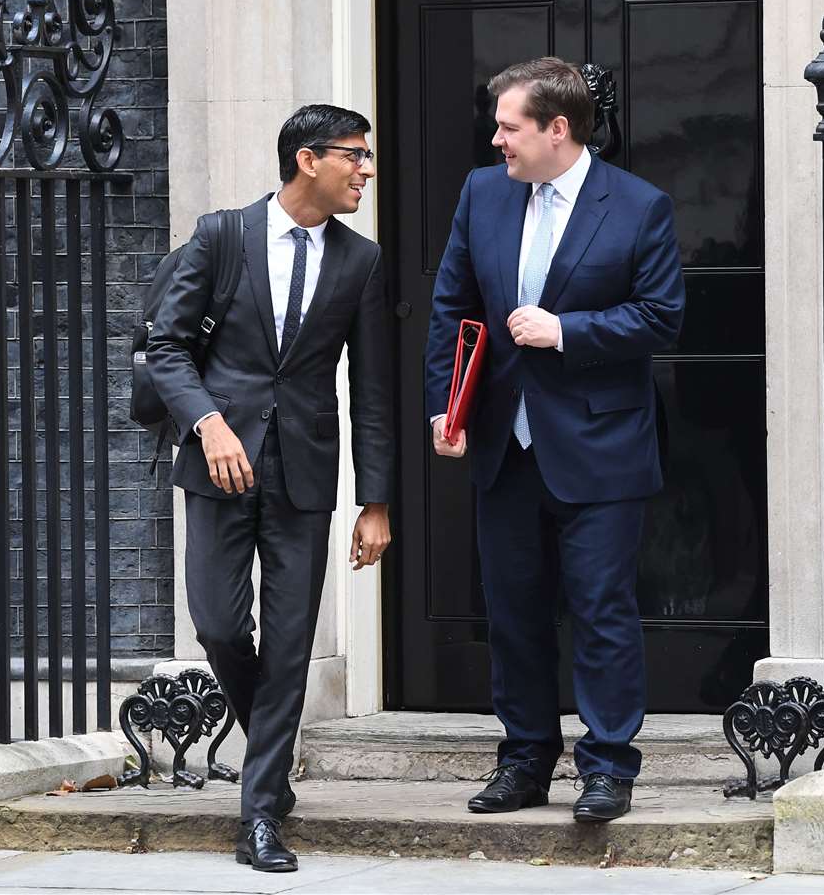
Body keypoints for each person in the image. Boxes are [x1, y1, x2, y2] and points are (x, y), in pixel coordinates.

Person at [425, 57, 685, 822]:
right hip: (504, 444)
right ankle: (525, 759)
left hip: (600, 447)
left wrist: (564, 330)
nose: (496, 140)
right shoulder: (482, 192)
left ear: (556, 129)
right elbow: (452, 306)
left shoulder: (639, 206)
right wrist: (448, 407)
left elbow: (659, 317)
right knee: (513, 612)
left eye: (509, 127)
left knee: (602, 611)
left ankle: (607, 768)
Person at [147, 104, 394, 872]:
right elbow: (166, 344)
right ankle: (271, 758)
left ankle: (259, 814)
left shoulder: (362, 261)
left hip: (304, 474)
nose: (365, 170)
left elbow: (374, 389)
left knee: (289, 647)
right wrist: (208, 424)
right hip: (219, 466)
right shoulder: (222, 235)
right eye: (354, 156)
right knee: (219, 626)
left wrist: (375, 500)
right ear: (307, 159)